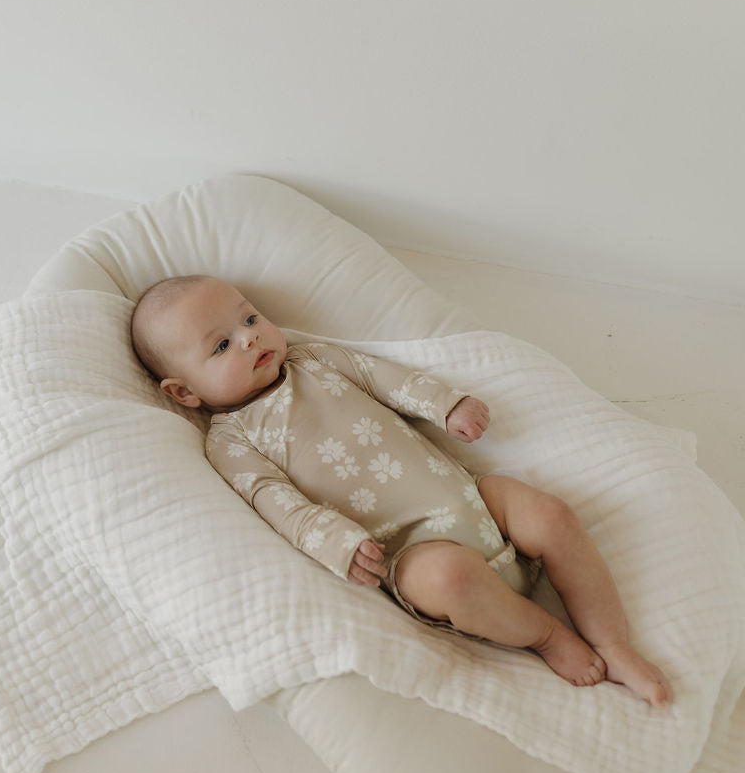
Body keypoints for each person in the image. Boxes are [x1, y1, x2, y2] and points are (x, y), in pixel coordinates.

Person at [130, 274, 672, 707]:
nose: (250, 336)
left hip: (473, 499)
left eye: (249, 318)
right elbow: (278, 505)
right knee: (454, 578)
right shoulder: (232, 441)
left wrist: (444, 404)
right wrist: (337, 544)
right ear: (184, 392)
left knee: (549, 514)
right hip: (410, 552)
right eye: (223, 344)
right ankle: (548, 636)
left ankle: (613, 643)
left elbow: (383, 377)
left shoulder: (314, 360)